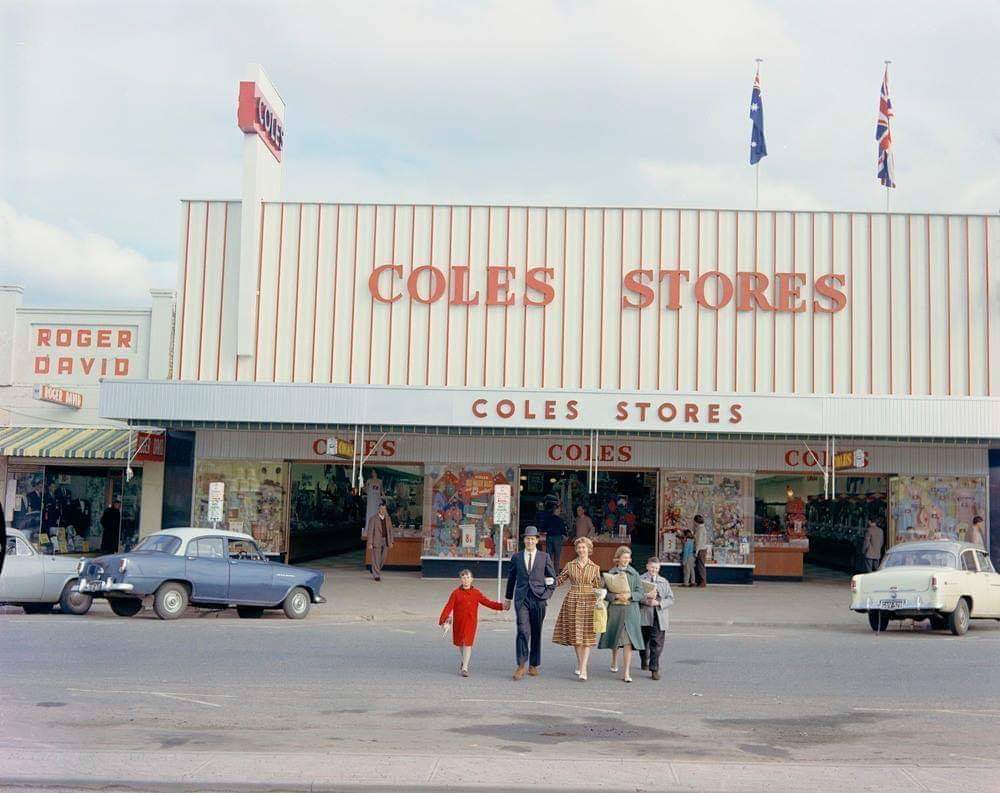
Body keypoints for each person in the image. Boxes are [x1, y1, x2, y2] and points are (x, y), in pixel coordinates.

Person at [504, 526, 556, 680]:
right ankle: (521, 665)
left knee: (536, 631)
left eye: (532, 538)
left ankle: (533, 664)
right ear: (524, 540)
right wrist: (508, 598)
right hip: (522, 599)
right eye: (527, 538)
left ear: (537, 540)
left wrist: (547, 594)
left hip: (538, 599)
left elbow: (553, 579)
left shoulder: (544, 557)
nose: (530, 541)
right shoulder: (517, 557)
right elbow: (511, 579)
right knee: (522, 630)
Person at [552, 536, 602, 681]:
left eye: (584, 547)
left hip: (589, 601)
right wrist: (548, 581)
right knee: (576, 637)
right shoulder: (570, 565)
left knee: (586, 636)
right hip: (573, 600)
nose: (581, 550)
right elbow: (560, 580)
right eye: (579, 547)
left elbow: (598, 587)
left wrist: (601, 602)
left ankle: (583, 668)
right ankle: (581, 664)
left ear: (589, 549)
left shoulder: (595, 568)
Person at [438, 569, 504, 677]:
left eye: (468, 577)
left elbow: (488, 603)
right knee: (460, 643)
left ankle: (465, 668)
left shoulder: (476, 593)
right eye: (463, 578)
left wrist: (501, 606)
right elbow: (448, 606)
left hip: (471, 622)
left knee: (467, 643)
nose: (466, 580)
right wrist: (443, 620)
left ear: (472, 579)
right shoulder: (456, 593)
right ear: (460, 580)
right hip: (459, 622)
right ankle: (464, 660)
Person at [599, 545, 645, 683]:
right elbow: (604, 593)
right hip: (615, 610)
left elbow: (640, 592)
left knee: (628, 642)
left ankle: (626, 673)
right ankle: (614, 661)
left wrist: (630, 595)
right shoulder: (610, 573)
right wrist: (615, 597)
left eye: (628, 557)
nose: (626, 560)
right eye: (624, 557)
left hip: (631, 612)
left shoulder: (634, 573)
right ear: (618, 558)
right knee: (615, 637)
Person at [639, 557, 674, 681]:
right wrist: (646, 599)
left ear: (659, 569)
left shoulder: (664, 582)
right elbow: (635, 595)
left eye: (656, 568)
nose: (653, 570)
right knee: (643, 642)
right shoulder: (640, 579)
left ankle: (654, 669)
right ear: (647, 566)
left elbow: (671, 599)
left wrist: (659, 603)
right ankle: (644, 659)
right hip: (644, 615)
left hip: (659, 616)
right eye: (652, 567)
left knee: (657, 644)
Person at [366, 500, 394, 581]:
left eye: (384, 509)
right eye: (381, 509)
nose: (382, 511)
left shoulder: (388, 518)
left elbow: (390, 530)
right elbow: (370, 532)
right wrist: (370, 543)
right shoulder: (373, 519)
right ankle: (376, 575)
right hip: (376, 540)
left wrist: (391, 541)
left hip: (386, 540)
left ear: (386, 510)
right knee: (376, 558)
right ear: (379, 509)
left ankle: (375, 568)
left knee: (383, 558)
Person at [544, 502, 568, 573]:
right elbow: (563, 530)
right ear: (556, 511)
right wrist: (565, 535)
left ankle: (549, 572)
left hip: (549, 538)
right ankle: (556, 572)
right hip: (557, 538)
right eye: (559, 511)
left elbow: (543, 529)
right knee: (557, 557)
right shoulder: (560, 520)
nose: (560, 512)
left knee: (549, 556)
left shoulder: (548, 519)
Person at [693, 515, 709, 587]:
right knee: (700, 565)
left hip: (701, 549)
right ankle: (701, 581)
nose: (694, 523)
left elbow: (698, 542)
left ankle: (703, 582)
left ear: (696, 521)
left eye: (694, 521)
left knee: (701, 566)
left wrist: (696, 552)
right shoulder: (702, 528)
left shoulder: (700, 529)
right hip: (703, 549)